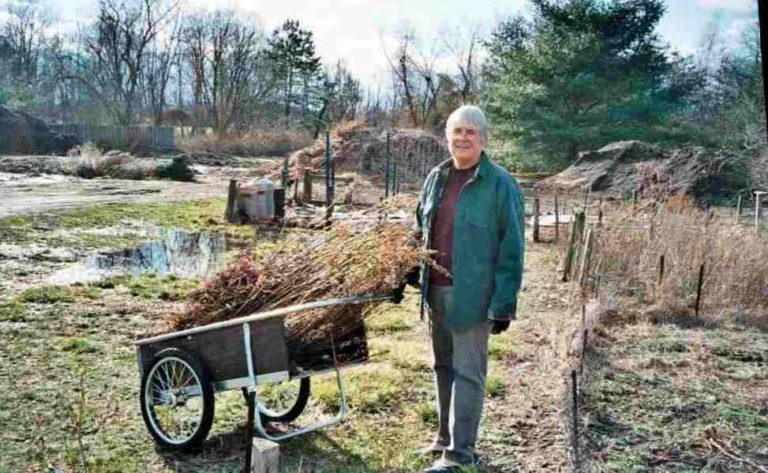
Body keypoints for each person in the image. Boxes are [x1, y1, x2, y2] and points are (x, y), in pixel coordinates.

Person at [413, 105, 525, 472]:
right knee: (442, 365)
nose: (462, 138)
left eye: (470, 133)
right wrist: (411, 271)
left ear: (483, 139)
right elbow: (421, 227)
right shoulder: (436, 177)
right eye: (456, 131)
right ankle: (444, 439)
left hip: (472, 295)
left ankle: (460, 455)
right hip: (436, 290)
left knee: (468, 372)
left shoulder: (499, 183)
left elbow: (512, 245)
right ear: (447, 136)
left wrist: (503, 303)